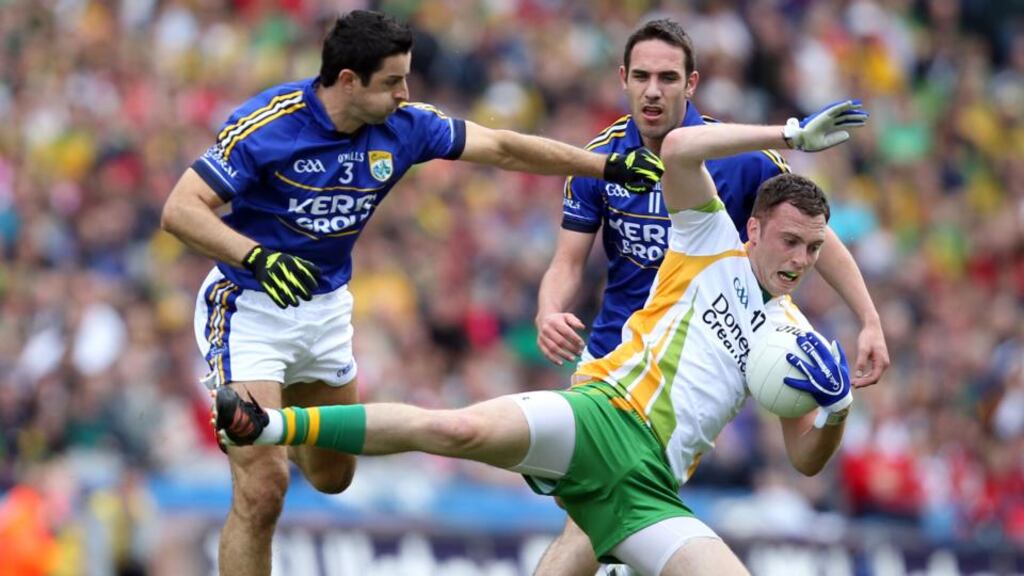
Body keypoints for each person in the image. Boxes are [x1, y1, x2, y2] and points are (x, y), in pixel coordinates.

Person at [211, 100, 869, 576]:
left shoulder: (796, 345)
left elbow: (806, 460)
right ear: (753, 231)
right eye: (789, 240)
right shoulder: (708, 239)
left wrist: (836, 411)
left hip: (648, 490)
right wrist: (788, 134)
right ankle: (268, 425)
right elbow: (679, 150)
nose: (801, 259)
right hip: (600, 418)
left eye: (813, 248)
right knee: (455, 431)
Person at [159, 10, 662, 576]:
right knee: (264, 486)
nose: (406, 93)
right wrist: (254, 255)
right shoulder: (267, 125)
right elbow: (179, 210)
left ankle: (276, 425)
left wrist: (605, 166)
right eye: (393, 82)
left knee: (332, 476)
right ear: (348, 81)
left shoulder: (406, 126)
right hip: (249, 306)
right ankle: (261, 436)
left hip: (324, 310)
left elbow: (501, 147)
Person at [535, 24, 888, 572]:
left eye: (668, 78)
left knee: (605, 526)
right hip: (614, 359)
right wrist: (549, 309)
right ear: (623, 80)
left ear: (691, 83)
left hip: (690, 367)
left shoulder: (738, 158)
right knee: (594, 517)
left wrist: (868, 318)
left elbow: (813, 233)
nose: (654, 90)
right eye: (643, 77)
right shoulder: (598, 160)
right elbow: (566, 262)